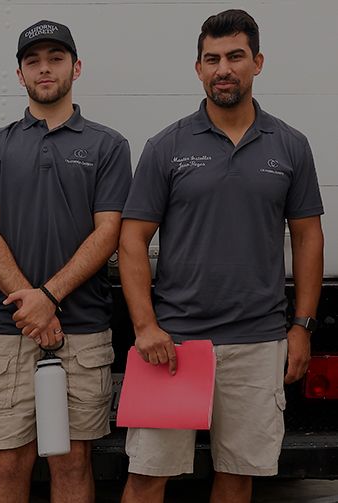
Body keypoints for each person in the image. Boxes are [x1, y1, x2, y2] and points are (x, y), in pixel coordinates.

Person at [119, 9, 324, 503]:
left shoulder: (290, 146)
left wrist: (302, 325)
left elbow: (308, 238)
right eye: (211, 59)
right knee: (147, 476)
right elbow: (131, 240)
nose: (223, 69)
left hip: (258, 341)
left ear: (257, 62)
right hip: (175, 343)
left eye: (235, 56)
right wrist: (146, 326)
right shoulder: (167, 146)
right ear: (198, 68)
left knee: (237, 475)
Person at [0, 20, 132, 503]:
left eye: (55, 58)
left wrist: (50, 297)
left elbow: (109, 233)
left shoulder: (108, 145)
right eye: (33, 61)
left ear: (76, 68)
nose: (44, 69)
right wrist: (31, 307)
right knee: (9, 459)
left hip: (82, 328)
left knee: (73, 459)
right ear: (19, 75)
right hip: (5, 328)